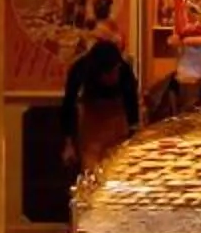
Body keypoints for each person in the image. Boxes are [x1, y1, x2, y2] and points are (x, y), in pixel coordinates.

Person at [57, 19, 142, 172]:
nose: (115, 76)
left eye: (116, 70)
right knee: (92, 175)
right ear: (99, 72)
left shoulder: (124, 71)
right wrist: (68, 144)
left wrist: (134, 135)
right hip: (91, 135)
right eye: (110, 73)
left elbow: (132, 106)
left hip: (119, 132)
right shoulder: (79, 70)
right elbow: (68, 106)